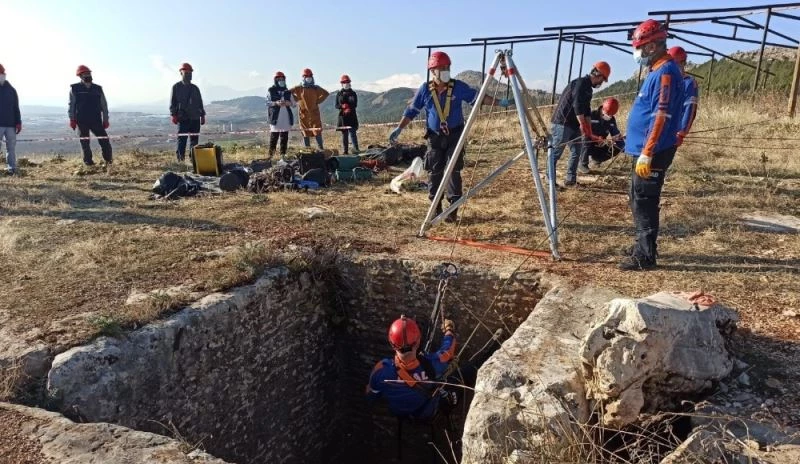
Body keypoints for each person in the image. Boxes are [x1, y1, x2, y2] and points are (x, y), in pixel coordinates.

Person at [389, 51, 508, 222]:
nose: (445, 70)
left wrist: (499, 103)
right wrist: (399, 128)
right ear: (433, 71)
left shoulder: (458, 87)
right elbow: (412, 111)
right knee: (435, 171)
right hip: (434, 137)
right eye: (441, 68)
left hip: (455, 135)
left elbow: (479, 98)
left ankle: (452, 210)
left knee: (454, 170)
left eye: (447, 67)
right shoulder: (425, 90)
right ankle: (435, 208)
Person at [620, 19, 684, 271]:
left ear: (653, 45)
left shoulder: (666, 73)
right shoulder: (657, 71)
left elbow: (662, 115)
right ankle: (641, 245)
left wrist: (647, 151)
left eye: (640, 46)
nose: (637, 52)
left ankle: (645, 257)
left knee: (645, 200)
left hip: (653, 152)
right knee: (636, 197)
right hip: (643, 149)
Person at [366, 315, 456, 421]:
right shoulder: (433, 364)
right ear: (418, 342)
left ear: (391, 344)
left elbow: (371, 395)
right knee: (460, 376)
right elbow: (447, 352)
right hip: (426, 413)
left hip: (399, 413)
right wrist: (449, 331)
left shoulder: (380, 371)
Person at [549, 60, 612, 186]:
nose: (601, 83)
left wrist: (589, 131)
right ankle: (550, 181)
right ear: (598, 75)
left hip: (574, 124)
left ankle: (570, 180)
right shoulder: (580, 84)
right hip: (563, 123)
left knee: (576, 151)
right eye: (603, 80)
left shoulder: (588, 89)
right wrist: (583, 125)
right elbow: (577, 106)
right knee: (556, 153)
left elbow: (587, 110)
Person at [68, 65, 112, 168]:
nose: (88, 75)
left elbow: (104, 105)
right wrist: (72, 119)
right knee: (85, 143)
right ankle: (89, 164)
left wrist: (105, 120)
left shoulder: (98, 89)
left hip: (96, 120)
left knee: (104, 140)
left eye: (89, 73)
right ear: (80, 76)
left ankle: (108, 162)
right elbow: (72, 105)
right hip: (81, 120)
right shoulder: (74, 89)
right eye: (85, 74)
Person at [170, 62, 206, 162]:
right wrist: (173, 115)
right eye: (186, 72)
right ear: (181, 73)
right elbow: (173, 102)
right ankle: (180, 161)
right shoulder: (176, 87)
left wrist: (202, 115)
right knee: (182, 140)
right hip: (183, 118)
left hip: (195, 118)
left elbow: (200, 102)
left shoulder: (195, 88)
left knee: (194, 142)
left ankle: (193, 160)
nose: (188, 74)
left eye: (190, 72)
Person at [579, 97, 625, 172]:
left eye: (611, 115)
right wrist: (595, 137)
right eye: (608, 114)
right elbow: (582, 131)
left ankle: (597, 159)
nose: (609, 116)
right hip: (585, 144)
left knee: (616, 148)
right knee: (586, 138)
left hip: (599, 145)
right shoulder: (591, 115)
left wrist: (625, 148)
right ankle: (583, 163)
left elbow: (616, 135)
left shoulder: (611, 120)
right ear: (602, 109)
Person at [667, 46, 699, 148]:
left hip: (672, 135)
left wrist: (681, 133)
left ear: (683, 63)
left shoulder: (688, 83)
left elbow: (690, 109)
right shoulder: (667, 81)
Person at [291, 68, 329, 150]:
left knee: (317, 131)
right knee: (305, 132)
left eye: (310, 76)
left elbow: (326, 93)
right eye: (306, 76)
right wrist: (296, 99)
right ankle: (307, 150)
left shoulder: (315, 88)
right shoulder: (299, 88)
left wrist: (318, 101)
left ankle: (321, 149)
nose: (308, 78)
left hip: (314, 114)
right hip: (304, 114)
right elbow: (288, 93)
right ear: (303, 77)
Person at [266, 71, 295, 161]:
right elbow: (267, 102)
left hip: (285, 117)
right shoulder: (271, 90)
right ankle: (271, 156)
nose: (281, 81)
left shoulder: (288, 91)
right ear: (275, 80)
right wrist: (276, 103)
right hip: (275, 117)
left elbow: (294, 103)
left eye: (282, 79)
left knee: (284, 137)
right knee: (274, 137)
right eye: (279, 79)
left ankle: (283, 155)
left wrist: (288, 103)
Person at [0, 63, 21, 175]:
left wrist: (18, 122)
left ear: (4, 74)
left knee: (11, 148)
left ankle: (11, 168)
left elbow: (16, 108)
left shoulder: (11, 90)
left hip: (10, 125)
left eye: (1, 73)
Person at [335, 74, 359, 154]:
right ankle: (345, 151)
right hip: (343, 117)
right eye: (344, 82)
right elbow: (336, 105)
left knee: (353, 133)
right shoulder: (339, 94)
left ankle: (356, 149)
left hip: (352, 116)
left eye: (347, 82)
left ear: (350, 83)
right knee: (344, 135)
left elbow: (355, 104)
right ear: (342, 83)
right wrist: (342, 106)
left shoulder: (353, 93)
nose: (346, 83)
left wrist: (349, 108)